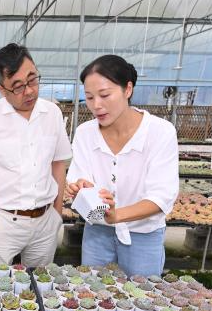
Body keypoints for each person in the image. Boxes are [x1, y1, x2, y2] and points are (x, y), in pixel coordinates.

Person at [65, 54, 179, 277]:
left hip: (143, 236)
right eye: (89, 97)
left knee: (143, 294)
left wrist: (119, 215)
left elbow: (162, 196)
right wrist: (80, 188)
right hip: (97, 233)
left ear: (128, 89)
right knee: (94, 291)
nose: (96, 105)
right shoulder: (85, 133)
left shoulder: (160, 132)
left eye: (105, 95)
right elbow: (79, 179)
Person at [0, 43, 71, 267]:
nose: (29, 91)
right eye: (18, 87)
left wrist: (57, 213)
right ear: (2, 90)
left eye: (32, 80)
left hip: (45, 221)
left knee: (40, 283)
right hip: (3, 222)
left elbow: (58, 164)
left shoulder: (52, 113)